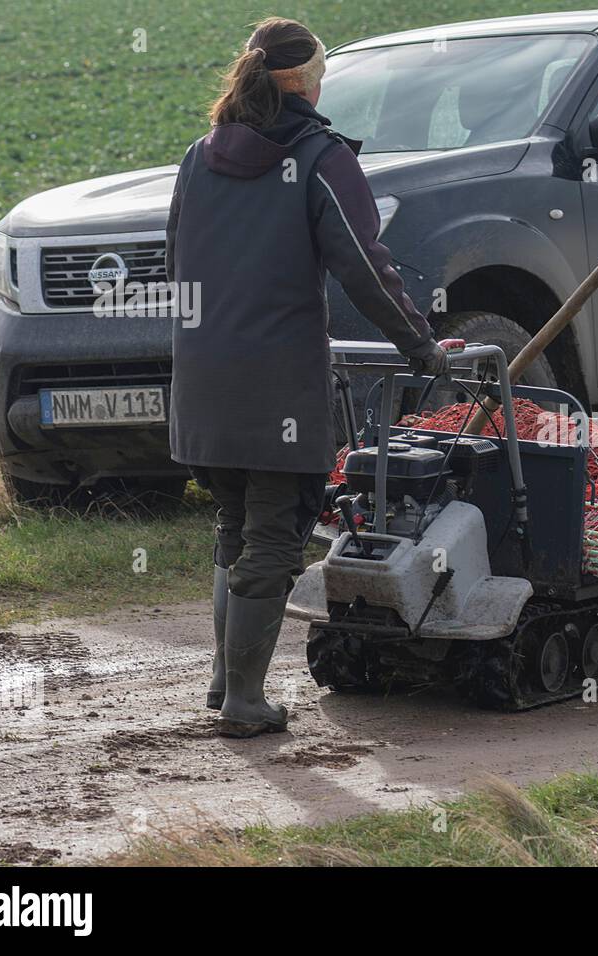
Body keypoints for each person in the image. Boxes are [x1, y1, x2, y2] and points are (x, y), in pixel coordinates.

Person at [165, 17, 448, 738]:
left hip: (202, 379)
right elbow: (365, 265)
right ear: (311, 82)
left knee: (235, 528)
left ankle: (227, 684)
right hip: (277, 383)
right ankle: (243, 704)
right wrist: (423, 347)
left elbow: (177, 261)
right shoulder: (320, 157)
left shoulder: (200, 157)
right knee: (273, 537)